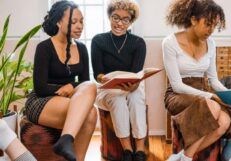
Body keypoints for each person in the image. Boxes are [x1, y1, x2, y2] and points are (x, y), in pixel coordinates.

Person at [162, 0, 231, 160]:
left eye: (214, 26)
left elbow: (214, 81)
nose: (211, 30)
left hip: (202, 91)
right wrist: (209, 96)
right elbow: (176, 85)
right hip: (178, 93)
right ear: (193, 19)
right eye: (207, 24)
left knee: (225, 121)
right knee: (213, 107)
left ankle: (183, 156)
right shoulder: (169, 43)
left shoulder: (211, 43)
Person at [24, 1, 97, 161]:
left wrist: (71, 86)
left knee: (91, 94)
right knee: (90, 113)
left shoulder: (82, 48)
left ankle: (67, 143)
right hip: (42, 100)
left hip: (67, 97)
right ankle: (67, 142)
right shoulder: (44, 47)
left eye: (82, 21)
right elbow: (40, 87)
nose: (79, 26)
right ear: (58, 22)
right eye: (73, 22)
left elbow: (84, 83)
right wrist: (67, 89)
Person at [91, 0, 147, 161]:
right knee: (118, 99)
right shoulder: (98, 40)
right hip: (108, 89)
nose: (119, 23)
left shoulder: (138, 43)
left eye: (125, 20)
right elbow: (98, 74)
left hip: (132, 88)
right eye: (115, 17)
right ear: (109, 17)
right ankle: (128, 150)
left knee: (136, 98)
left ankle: (140, 151)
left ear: (131, 22)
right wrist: (106, 78)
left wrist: (133, 84)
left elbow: (137, 73)